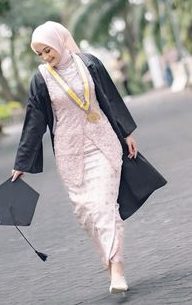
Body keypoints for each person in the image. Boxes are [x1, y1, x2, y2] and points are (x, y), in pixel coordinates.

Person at [11, 21, 167, 294]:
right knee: (85, 213)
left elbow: (110, 96)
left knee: (104, 205)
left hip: (103, 142)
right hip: (70, 151)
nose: (47, 57)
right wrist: (21, 163)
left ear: (59, 42)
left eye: (49, 50)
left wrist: (126, 132)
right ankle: (108, 258)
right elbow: (34, 121)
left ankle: (117, 269)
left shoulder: (89, 63)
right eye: (41, 54)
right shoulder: (41, 79)